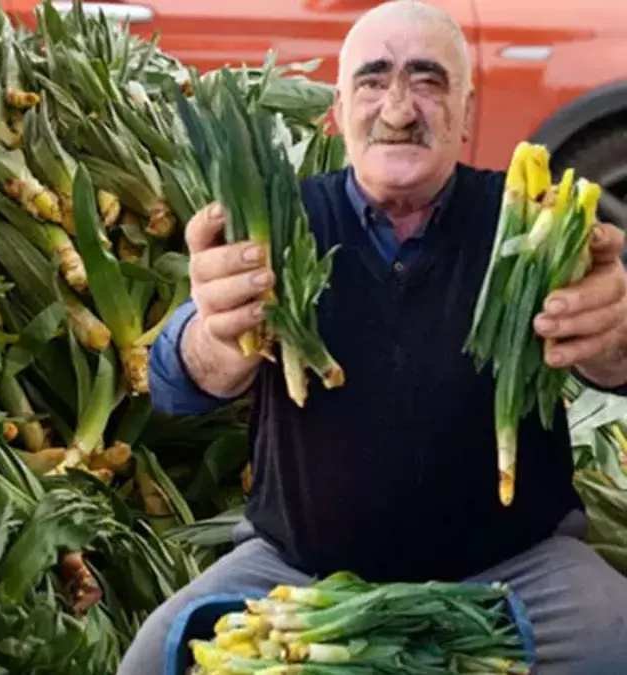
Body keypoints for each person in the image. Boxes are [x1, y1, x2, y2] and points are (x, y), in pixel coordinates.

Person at [118, 1, 627, 673]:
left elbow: (615, 359)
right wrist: (215, 332)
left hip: (520, 568)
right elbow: (172, 383)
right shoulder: (279, 221)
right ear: (337, 107)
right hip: (296, 567)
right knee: (155, 657)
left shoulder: (527, 222)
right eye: (373, 78)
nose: (397, 107)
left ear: (468, 112)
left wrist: (610, 335)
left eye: (428, 80)